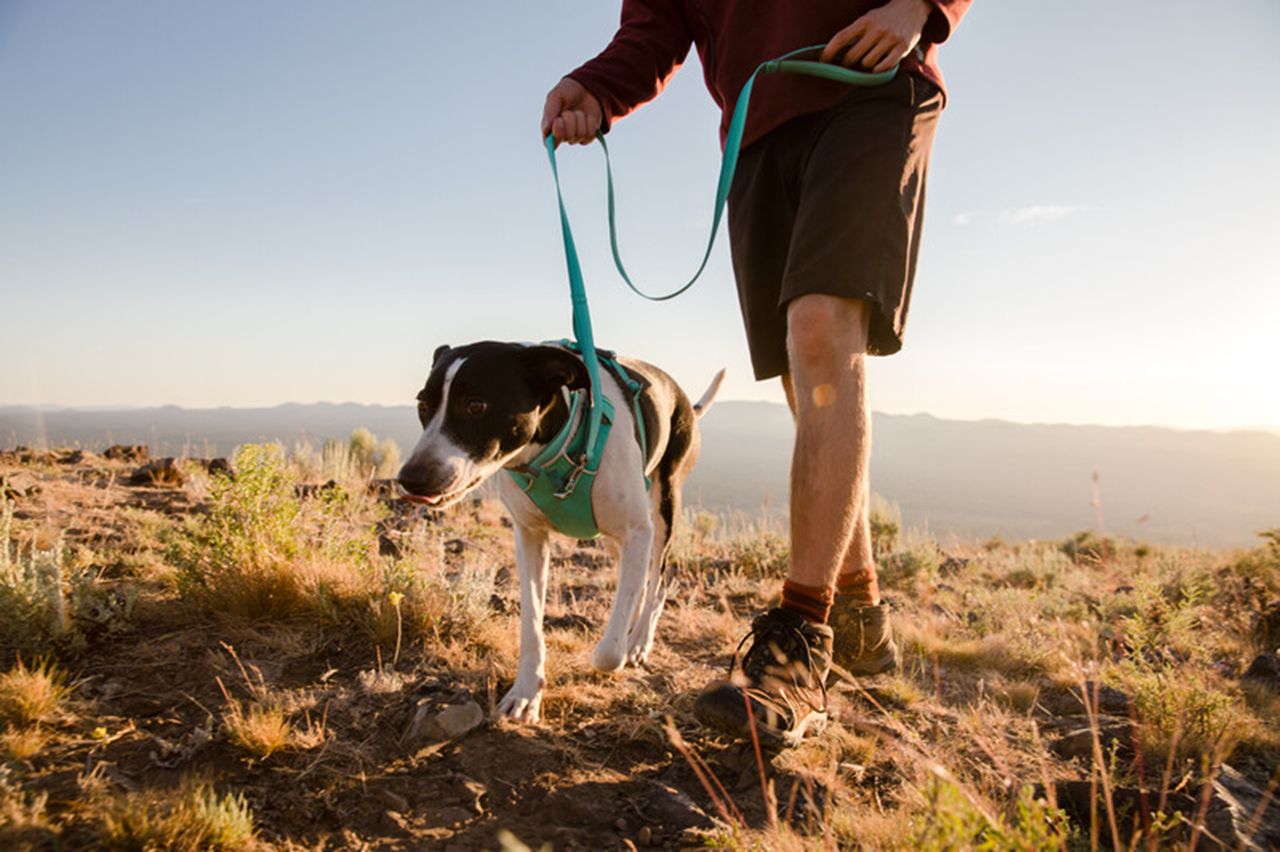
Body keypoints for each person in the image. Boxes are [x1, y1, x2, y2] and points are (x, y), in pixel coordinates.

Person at [541, 0, 970, 745]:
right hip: (756, 130)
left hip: (870, 90)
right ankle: (859, 609)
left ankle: (802, 640)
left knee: (819, 333)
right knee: (804, 376)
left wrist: (918, 7)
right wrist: (595, 88)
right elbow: (654, 31)